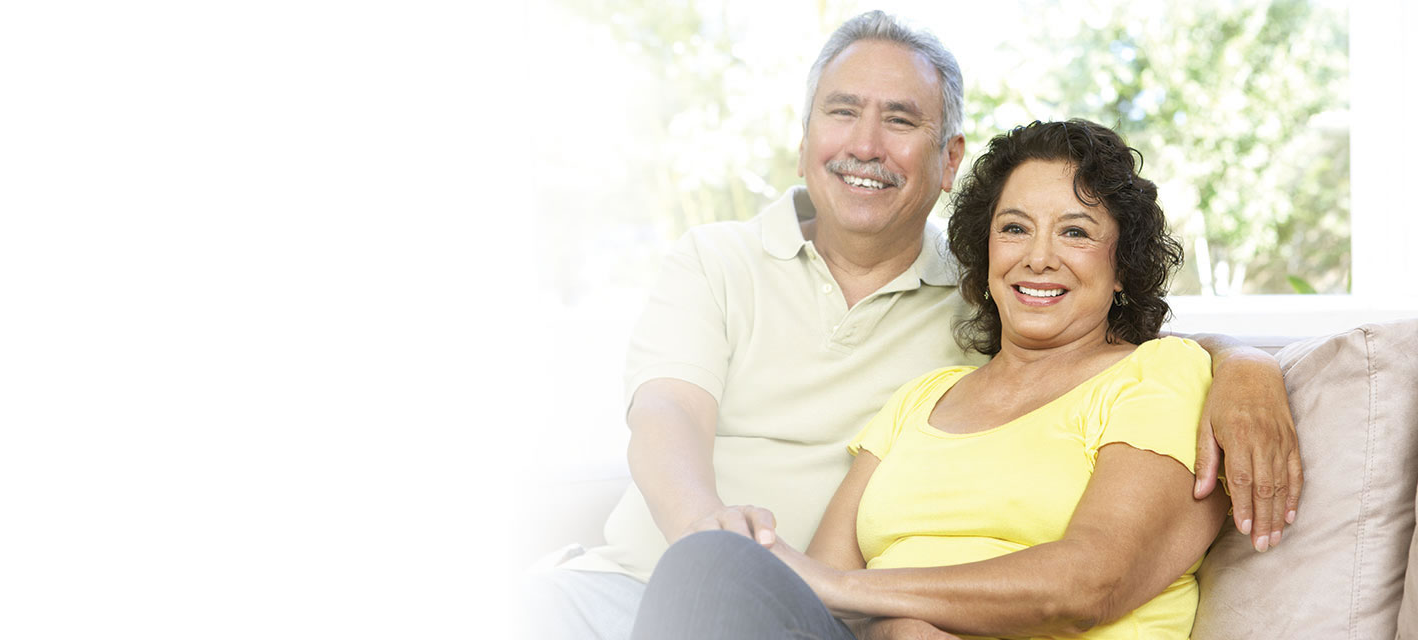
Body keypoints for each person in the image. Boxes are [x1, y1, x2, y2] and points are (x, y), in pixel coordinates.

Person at [522, 11, 1301, 640]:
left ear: (947, 158)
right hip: (662, 590)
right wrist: (727, 547)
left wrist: (1248, 365)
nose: (1038, 260)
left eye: (899, 119)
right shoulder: (915, 378)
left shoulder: (1095, 351)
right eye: (1015, 230)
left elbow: (1092, 567)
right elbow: (668, 416)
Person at [632, 119, 1228, 640]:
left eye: (1075, 232)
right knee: (710, 567)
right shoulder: (923, 397)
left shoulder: (1157, 372)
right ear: (985, 249)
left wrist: (870, 600)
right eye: (1014, 228)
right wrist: (897, 627)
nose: (1038, 256)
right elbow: (817, 590)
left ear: (1122, 266)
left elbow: (1090, 583)